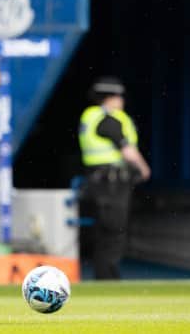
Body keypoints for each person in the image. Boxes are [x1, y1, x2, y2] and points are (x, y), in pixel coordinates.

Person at [78, 77, 150, 280]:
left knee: (103, 231)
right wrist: (144, 168)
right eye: (118, 96)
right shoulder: (109, 119)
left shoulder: (90, 116)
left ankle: (103, 276)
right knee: (114, 231)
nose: (121, 100)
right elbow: (126, 148)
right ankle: (109, 277)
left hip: (97, 180)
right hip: (111, 183)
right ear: (108, 98)